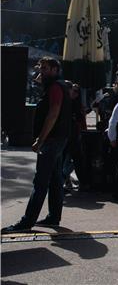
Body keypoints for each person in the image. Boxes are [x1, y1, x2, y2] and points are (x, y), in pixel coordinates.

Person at [3, 58, 71, 232]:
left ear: (55, 69)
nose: (42, 71)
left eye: (46, 68)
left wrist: (40, 140)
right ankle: (54, 217)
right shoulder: (57, 85)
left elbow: (53, 114)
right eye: (41, 68)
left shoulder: (55, 87)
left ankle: (27, 221)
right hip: (59, 138)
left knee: (40, 182)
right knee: (55, 180)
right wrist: (42, 75)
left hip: (52, 140)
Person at [62, 81, 87, 192]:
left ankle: (80, 181)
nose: (74, 93)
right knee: (65, 160)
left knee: (76, 160)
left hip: (74, 137)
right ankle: (65, 181)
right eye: (73, 90)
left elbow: (81, 120)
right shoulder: (63, 102)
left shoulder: (77, 105)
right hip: (64, 136)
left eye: (77, 91)